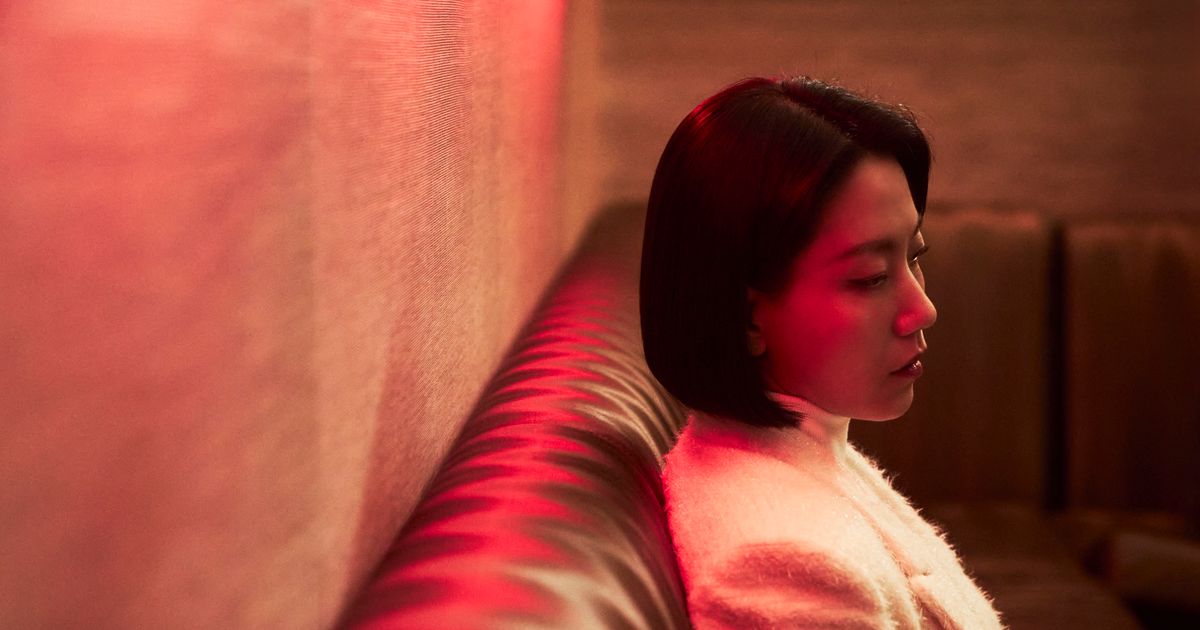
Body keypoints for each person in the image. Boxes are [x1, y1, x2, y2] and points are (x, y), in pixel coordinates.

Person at [640, 76, 1003, 629]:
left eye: (916, 255)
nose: (923, 309)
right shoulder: (790, 569)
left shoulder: (805, 457)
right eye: (871, 277)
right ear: (747, 316)